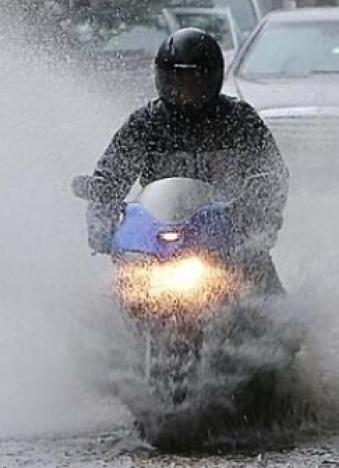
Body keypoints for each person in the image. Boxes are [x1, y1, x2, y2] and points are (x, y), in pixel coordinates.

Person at [83, 27, 289, 293]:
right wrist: (102, 221)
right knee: (113, 296)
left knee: (272, 305)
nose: (185, 90)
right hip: (157, 242)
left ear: (213, 79)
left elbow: (272, 174)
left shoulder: (239, 120)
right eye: (176, 81)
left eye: (194, 81)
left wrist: (260, 220)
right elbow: (109, 177)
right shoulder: (145, 123)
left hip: (229, 241)